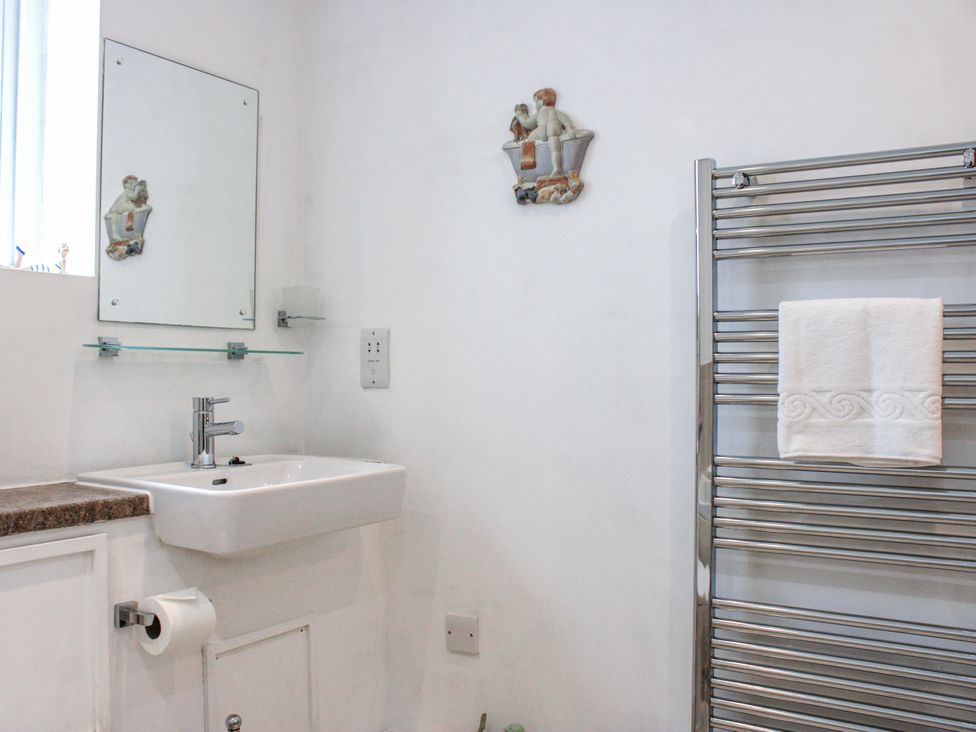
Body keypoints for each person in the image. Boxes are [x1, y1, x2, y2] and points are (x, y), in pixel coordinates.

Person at [515, 88, 577, 176]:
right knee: (555, 151)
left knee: (529, 138)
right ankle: (556, 168)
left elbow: (527, 123)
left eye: (536, 101)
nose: (536, 104)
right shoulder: (556, 112)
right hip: (554, 128)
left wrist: (520, 115)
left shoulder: (539, 114)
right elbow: (566, 122)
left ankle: (529, 159)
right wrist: (570, 129)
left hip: (542, 131)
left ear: (541, 101)